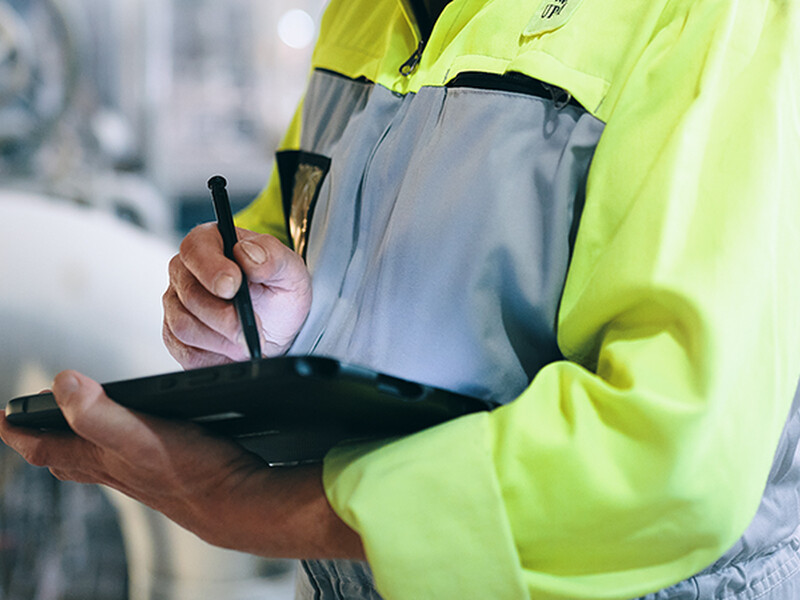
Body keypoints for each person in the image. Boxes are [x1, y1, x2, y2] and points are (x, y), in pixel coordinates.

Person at [3, 0, 800, 598]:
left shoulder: (713, 15)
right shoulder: (370, 11)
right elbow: (306, 231)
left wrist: (264, 509)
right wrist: (265, 313)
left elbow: (669, 457)